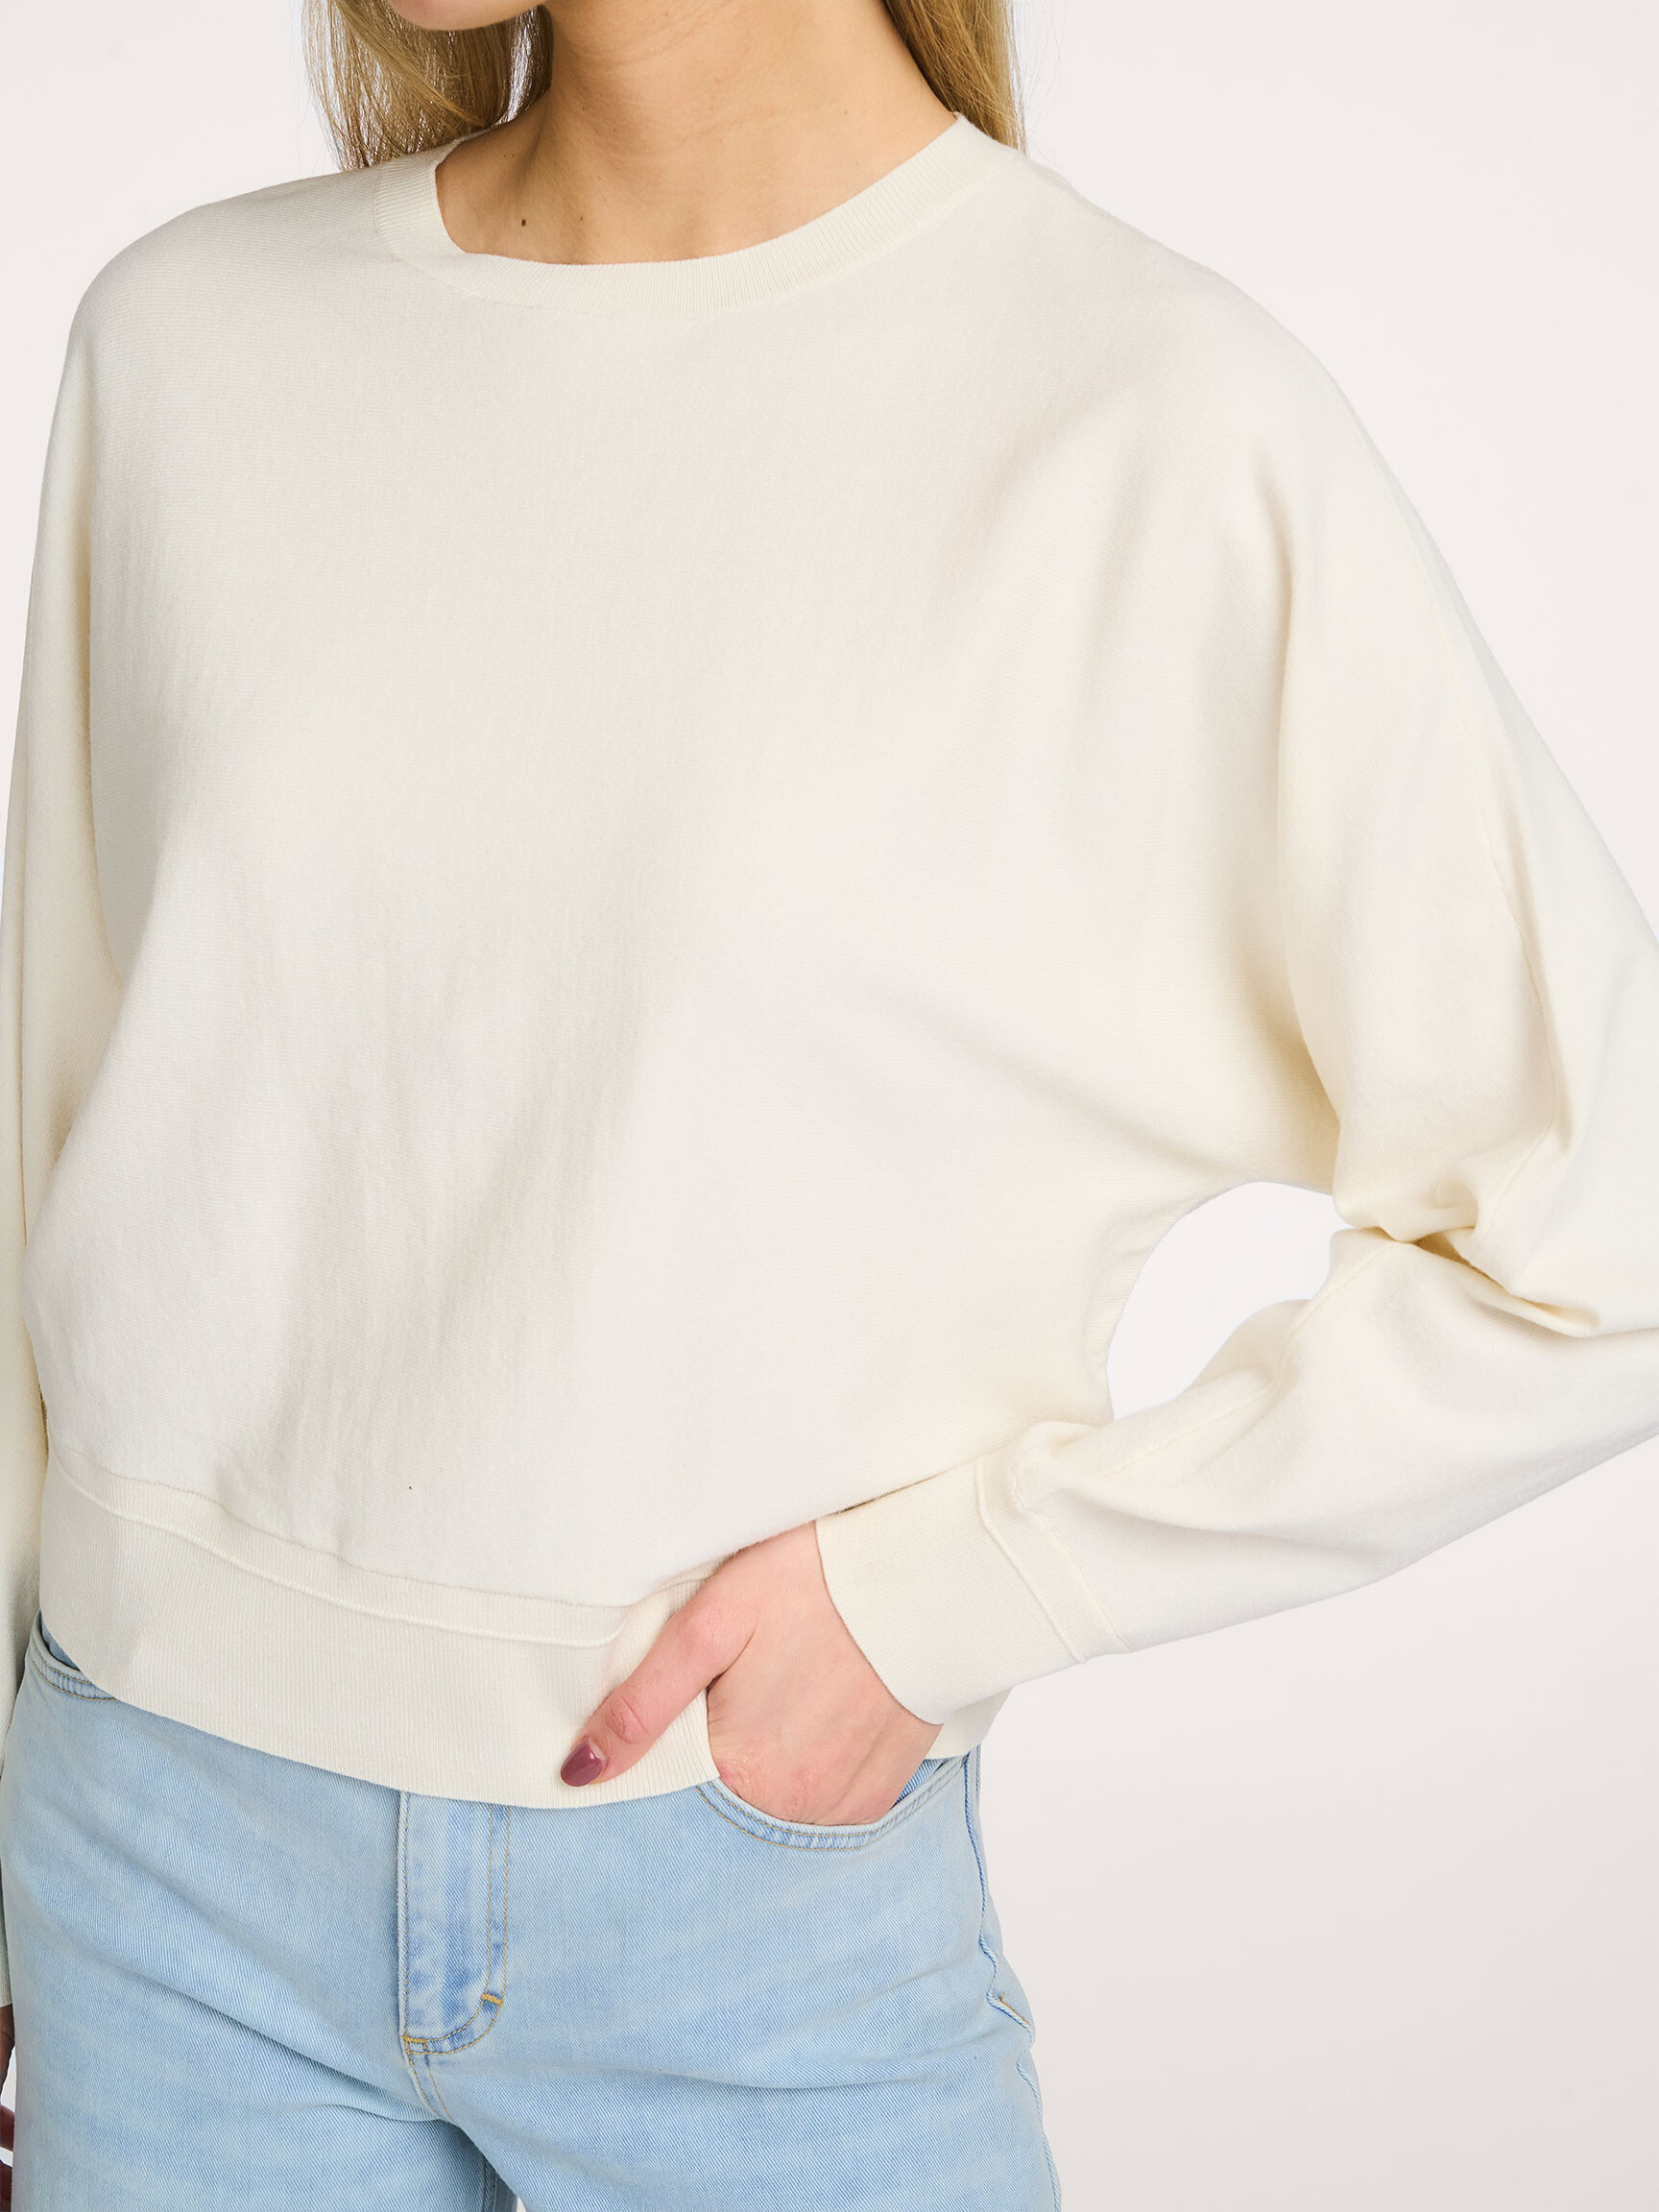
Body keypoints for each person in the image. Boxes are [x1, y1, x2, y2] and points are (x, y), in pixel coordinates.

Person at [1, 0, 1656, 2203]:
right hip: (147, 1879)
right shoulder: (191, 347)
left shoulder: (1143, 415)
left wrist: (959, 1593)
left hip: (745, 1919)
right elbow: (53, 1129)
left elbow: (1602, 1238)